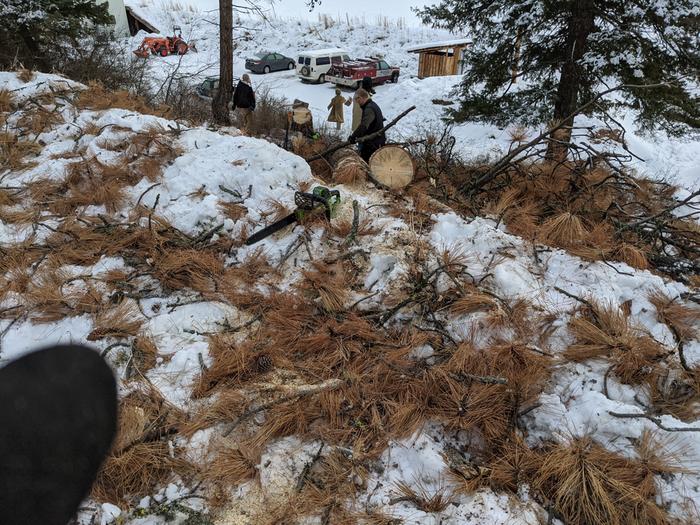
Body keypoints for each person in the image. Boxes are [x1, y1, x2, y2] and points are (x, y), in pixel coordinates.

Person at [348, 88, 386, 162]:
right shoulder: (372, 105)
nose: (357, 102)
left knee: (367, 164)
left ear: (361, 98)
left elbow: (364, 126)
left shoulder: (369, 109)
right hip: (375, 141)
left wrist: (353, 136)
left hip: (373, 143)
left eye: (357, 99)